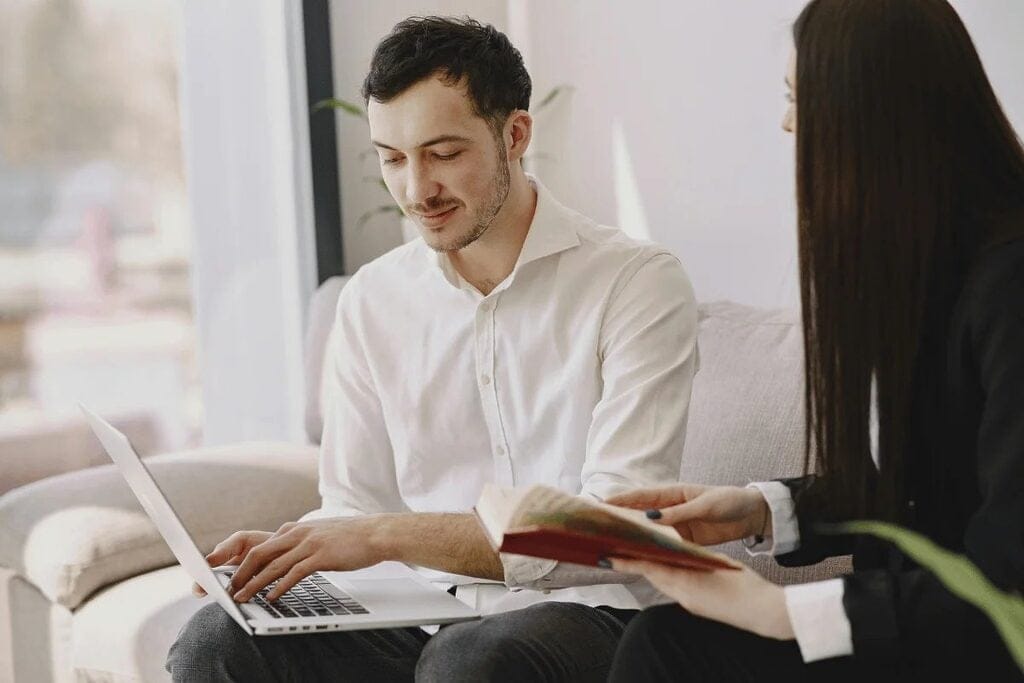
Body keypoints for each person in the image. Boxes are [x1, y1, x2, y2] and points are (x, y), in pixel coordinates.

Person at [166, 16, 700, 683]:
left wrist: (383, 535)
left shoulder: (634, 282)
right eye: (392, 158)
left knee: (471, 658)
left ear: (515, 135)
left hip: (597, 614)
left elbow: (610, 532)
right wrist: (291, 550)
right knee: (217, 640)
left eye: (444, 153)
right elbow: (353, 503)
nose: (417, 190)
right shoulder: (372, 300)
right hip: (430, 618)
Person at [604, 0, 1024, 679]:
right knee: (666, 639)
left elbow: (1008, 583)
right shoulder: (934, 270)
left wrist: (776, 609)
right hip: (932, 636)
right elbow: (927, 496)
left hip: (983, 647)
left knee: (670, 648)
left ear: (874, 119)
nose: (787, 122)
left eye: (801, 98)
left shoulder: (1010, 284)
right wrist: (761, 509)